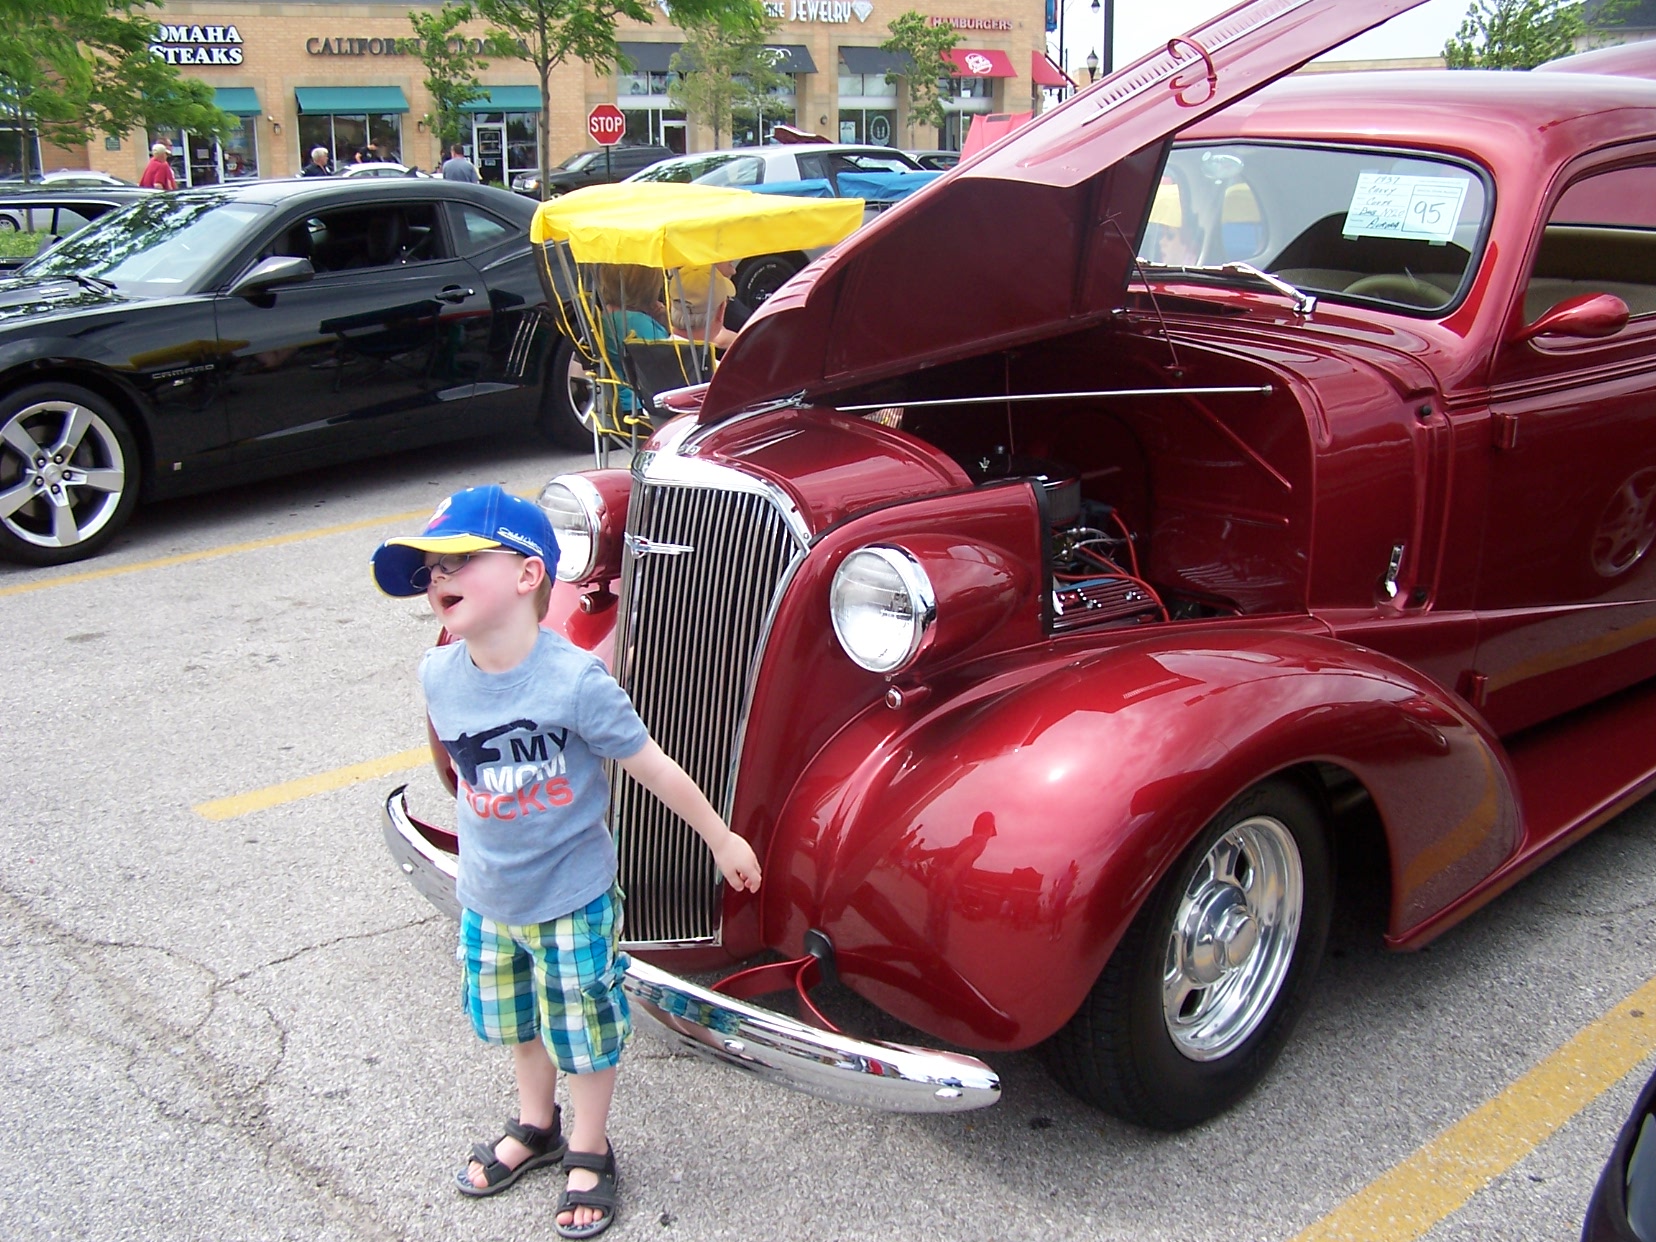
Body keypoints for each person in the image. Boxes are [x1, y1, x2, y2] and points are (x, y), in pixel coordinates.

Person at [371, 486, 761, 1239]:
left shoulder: (575, 681)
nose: (437, 577)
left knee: (583, 1030)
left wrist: (720, 837)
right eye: (429, 569)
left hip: (571, 900)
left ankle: (589, 1146)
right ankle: (536, 1124)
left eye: (458, 560)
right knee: (519, 1022)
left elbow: (650, 764)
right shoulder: (437, 675)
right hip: (490, 897)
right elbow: (466, 776)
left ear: (527, 575)